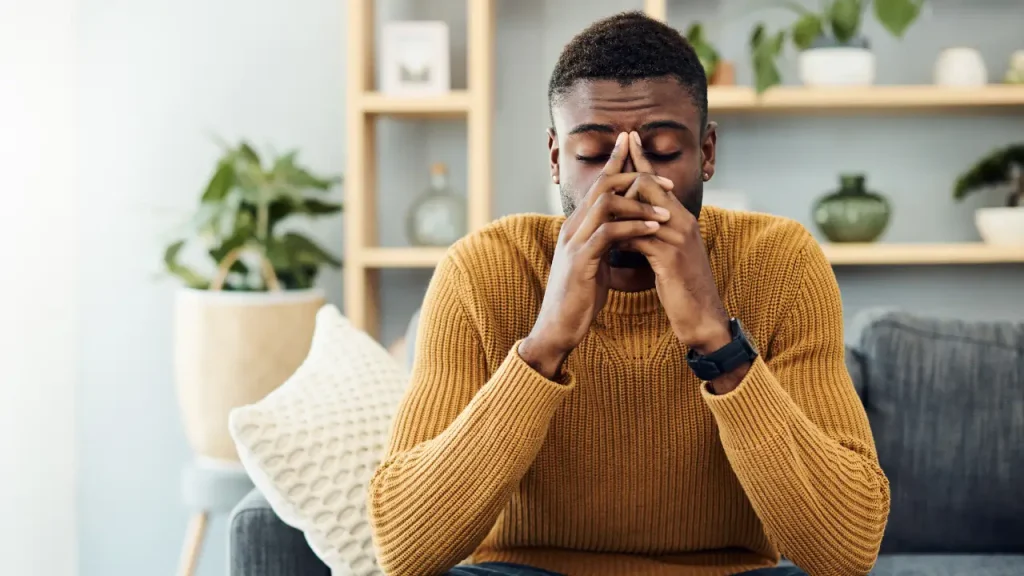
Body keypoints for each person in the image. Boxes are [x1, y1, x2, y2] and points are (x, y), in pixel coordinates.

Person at [368, 11, 889, 576]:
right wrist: (544, 346)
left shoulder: (779, 262)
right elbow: (404, 551)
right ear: (555, 159)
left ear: (707, 153)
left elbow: (846, 554)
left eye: (663, 151)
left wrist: (716, 339)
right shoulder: (482, 270)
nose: (629, 184)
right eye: (593, 155)